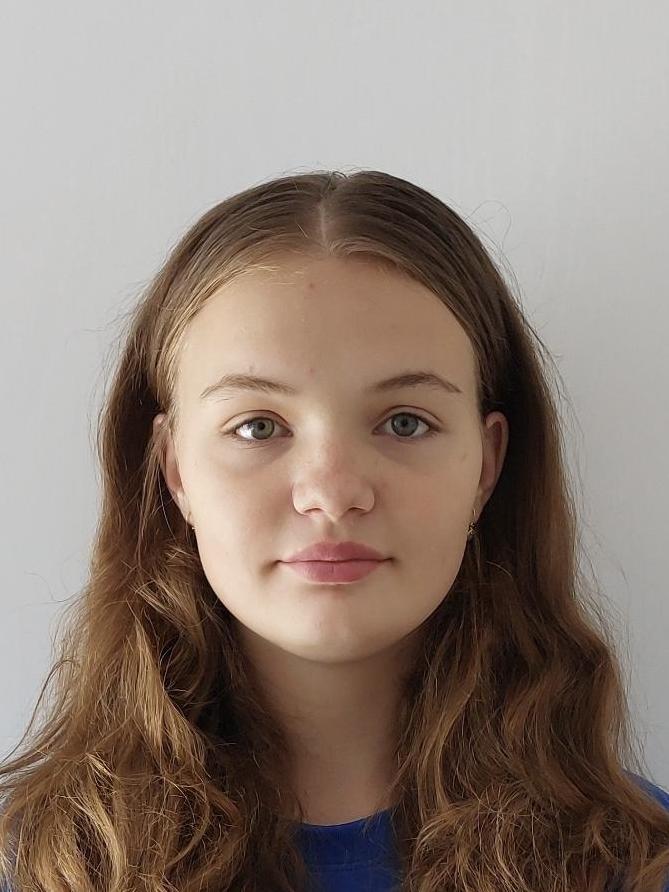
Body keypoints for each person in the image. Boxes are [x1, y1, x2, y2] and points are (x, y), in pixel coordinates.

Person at [1, 169, 668, 891]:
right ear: (175, 470)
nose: (331, 493)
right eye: (258, 426)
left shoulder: (634, 867)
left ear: (487, 464)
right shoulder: (36, 867)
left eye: (405, 422)